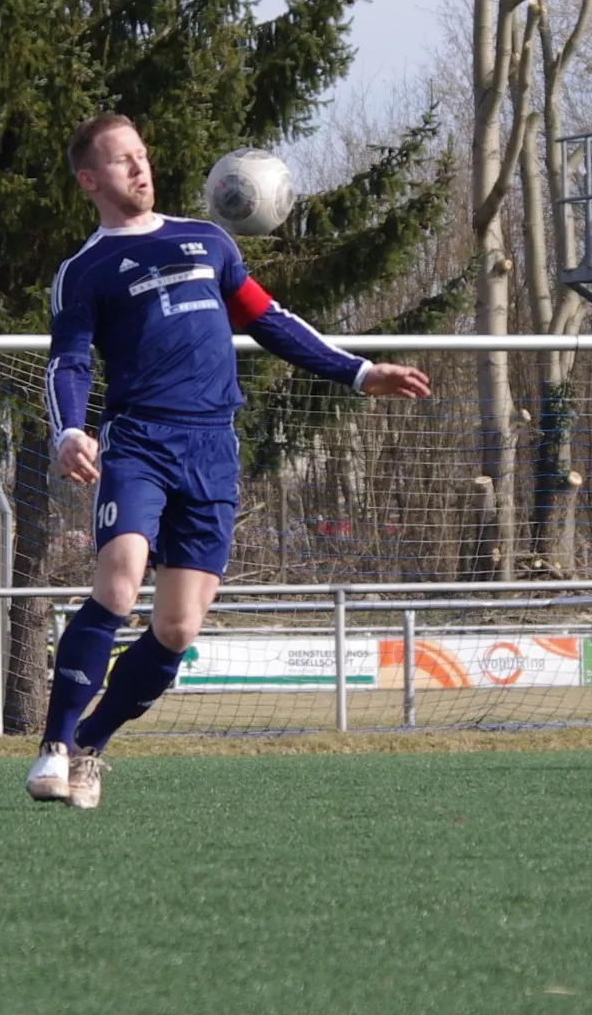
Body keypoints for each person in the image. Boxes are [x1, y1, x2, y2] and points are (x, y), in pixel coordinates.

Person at [26, 114, 430, 809]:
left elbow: (269, 319)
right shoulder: (83, 270)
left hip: (212, 447)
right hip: (139, 441)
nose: (140, 168)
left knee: (177, 629)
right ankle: (54, 746)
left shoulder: (207, 241)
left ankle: (91, 742)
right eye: (122, 160)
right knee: (119, 583)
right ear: (88, 179)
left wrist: (360, 372)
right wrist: (68, 431)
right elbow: (67, 362)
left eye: (142, 154)